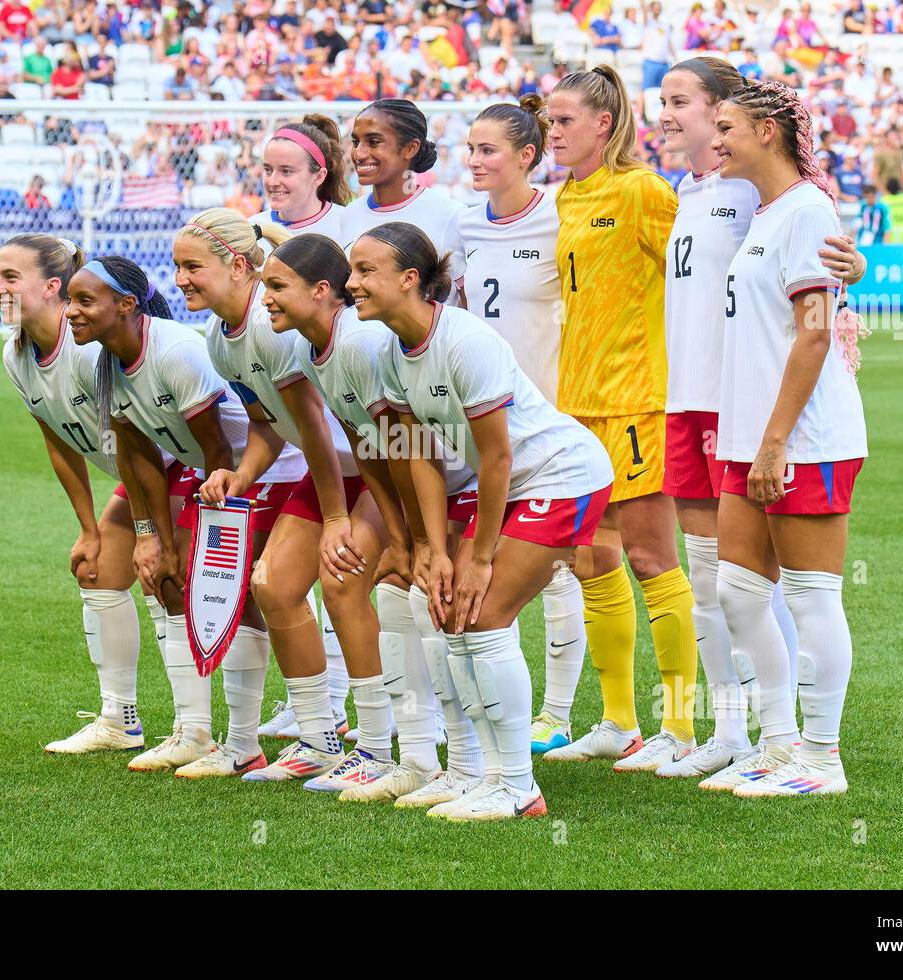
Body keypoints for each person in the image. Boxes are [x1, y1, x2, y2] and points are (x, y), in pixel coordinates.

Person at [351, 221, 615, 821]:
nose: (352, 283)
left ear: (410, 280)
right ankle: (482, 773)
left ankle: (519, 786)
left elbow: (497, 458)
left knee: (485, 612)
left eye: (366, 271)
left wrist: (479, 555)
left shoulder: (466, 342)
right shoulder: (394, 353)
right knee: (446, 608)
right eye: (352, 270)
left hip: (560, 475)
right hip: (505, 484)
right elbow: (415, 456)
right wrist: (431, 547)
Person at [654, 56, 866, 780]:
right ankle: (774, 742)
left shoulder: (805, 209)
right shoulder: (768, 210)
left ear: (765, 132)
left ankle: (821, 756)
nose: (715, 142)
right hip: (750, 433)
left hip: (800, 437)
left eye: (726, 128)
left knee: (810, 598)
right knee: (738, 593)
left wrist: (774, 440)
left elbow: (813, 332)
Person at [169, 209, 395, 788]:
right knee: (272, 584)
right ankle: (320, 739)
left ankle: (390, 749)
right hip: (336, 473)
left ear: (237, 265)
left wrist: (339, 517)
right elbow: (269, 424)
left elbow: (316, 428)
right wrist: (239, 477)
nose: (180, 280)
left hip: (372, 471)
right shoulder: (222, 341)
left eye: (192, 266)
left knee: (354, 589)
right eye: (177, 267)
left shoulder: (277, 327)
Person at [262, 233, 489, 807]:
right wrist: (398, 535)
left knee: (419, 600)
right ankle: (405, 752)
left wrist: (418, 541)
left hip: (459, 483)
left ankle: (460, 759)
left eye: (276, 286)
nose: (265, 298)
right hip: (415, 483)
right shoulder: (316, 350)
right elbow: (372, 445)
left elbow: (413, 446)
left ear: (321, 292)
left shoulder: (360, 343)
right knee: (391, 593)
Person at [65, 255, 304, 778]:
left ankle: (281, 735)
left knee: (253, 594)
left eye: (84, 301)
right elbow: (137, 457)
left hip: (267, 471)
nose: (72, 313)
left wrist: (196, 526)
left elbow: (216, 446)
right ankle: (220, 737)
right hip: (229, 476)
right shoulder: (108, 358)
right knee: (207, 587)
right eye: (71, 301)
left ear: (126, 305)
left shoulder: (173, 350)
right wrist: (150, 536)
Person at [543, 64, 698, 772]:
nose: (553, 131)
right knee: (588, 558)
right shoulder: (560, 199)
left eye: (565, 119)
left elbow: (697, 278)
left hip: (637, 398)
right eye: (549, 120)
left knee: (650, 557)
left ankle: (683, 724)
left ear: (604, 125)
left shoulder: (641, 192)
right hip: (573, 408)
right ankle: (617, 721)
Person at [0, 234, 181, 756]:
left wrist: (147, 532)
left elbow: (136, 444)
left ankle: (199, 728)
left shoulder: (88, 348)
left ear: (52, 286)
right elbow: (56, 439)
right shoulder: (16, 354)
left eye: (11, 277)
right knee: (95, 569)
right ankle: (119, 721)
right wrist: (88, 529)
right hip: (140, 478)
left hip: (178, 471)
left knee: (165, 580)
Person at [443, 97, 588, 755]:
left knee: (561, 568)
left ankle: (557, 715)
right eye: (470, 149)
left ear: (528, 156)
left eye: (488, 150)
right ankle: (479, 712)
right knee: (479, 562)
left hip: (551, 413)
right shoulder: (465, 226)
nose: (475, 161)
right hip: (482, 419)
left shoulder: (563, 215)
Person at [246, 118, 357, 739]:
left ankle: (347, 702)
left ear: (320, 174)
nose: (275, 180)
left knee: (340, 568)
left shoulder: (340, 230)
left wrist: (275, 239)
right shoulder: (256, 234)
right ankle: (314, 697)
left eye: (288, 170)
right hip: (292, 421)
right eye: (268, 169)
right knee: (286, 569)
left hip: (343, 423)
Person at [339, 99, 465, 256]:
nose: (358, 153)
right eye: (356, 142)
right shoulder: (348, 215)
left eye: (374, 142)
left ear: (410, 148)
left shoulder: (450, 216)